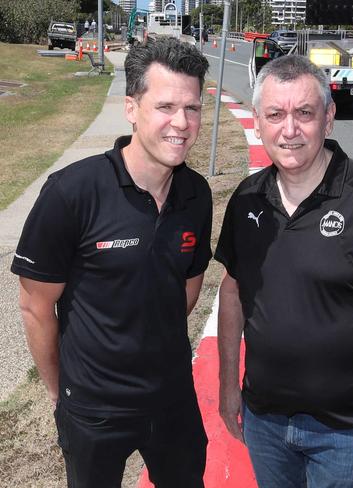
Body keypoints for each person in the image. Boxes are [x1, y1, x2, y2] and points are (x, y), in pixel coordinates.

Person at [215, 55, 353, 488]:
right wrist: (227, 387)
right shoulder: (246, 200)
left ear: (329, 119)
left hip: (349, 434)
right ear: (258, 122)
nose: (290, 129)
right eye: (275, 115)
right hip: (267, 424)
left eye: (305, 113)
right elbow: (231, 294)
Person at [12, 37, 211, 488]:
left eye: (192, 108)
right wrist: (59, 392)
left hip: (173, 399)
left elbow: (189, 283)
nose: (181, 123)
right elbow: (35, 306)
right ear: (131, 108)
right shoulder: (71, 193)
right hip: (93, 408)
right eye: (164, 106)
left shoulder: (196, 194)